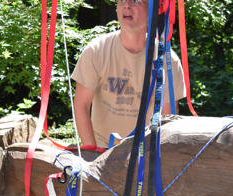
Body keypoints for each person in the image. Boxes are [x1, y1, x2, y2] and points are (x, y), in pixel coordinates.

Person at [72, 0, 186, 148]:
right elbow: (81, 105)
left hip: (144, 154)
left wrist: (155, 157)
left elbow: (167, 118)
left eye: (136, 1)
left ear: (152, 10)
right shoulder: (96, 51)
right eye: (122, 1)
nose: (126, 5)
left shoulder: (167, 60)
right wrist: (91, 152)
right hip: (101, 151)